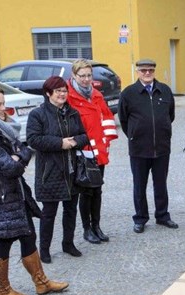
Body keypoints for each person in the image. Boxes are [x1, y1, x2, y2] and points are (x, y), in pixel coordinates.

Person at [0, 83, 68, 295]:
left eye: (4, 103)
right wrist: (19, 157)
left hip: (13, 193)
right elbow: (10, 167)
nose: (4, 108)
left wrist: (19, 155)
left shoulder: (0, 128)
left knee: (29, 234)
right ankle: (3, 290)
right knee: (3, 242)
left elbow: (23, 149)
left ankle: (41, 283)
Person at [27, 76, 89, 263]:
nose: (62, 94)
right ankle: (44, 249)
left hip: (72, 169)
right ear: (48, 94)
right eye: (58, 91)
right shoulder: (38, 114)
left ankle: (68, 243)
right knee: (49, 213)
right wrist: (60, 143)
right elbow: (33, 139)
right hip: (50, 171)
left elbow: (84, 136)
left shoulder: (73, 113)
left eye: (64, 90)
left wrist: (75, 142)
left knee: (70, 210)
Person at [118, 58, 178, 233]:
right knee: (139, 185)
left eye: (150, 70)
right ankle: (141, 218)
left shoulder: (165, 91)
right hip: (139, 148)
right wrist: (135, 135)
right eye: (143, 70)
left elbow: (170, 116)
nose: (147, 73)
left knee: (161, 184)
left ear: (154, 71)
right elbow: (123, 119)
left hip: (161, 147)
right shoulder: (128, 93)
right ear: (137, 71)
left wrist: (163, 131)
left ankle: (162, 216)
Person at [67, 59, 118, 244]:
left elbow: (107, 117)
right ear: (74, 76)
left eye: (89, 75)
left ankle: (97, 226)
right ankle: (87, 229)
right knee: (86, 191)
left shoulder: (96, 95)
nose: (86, 79)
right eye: (82, 76)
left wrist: (106, 141)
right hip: (83, 151)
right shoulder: (69, 97)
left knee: (98, 190)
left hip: (99, 150)